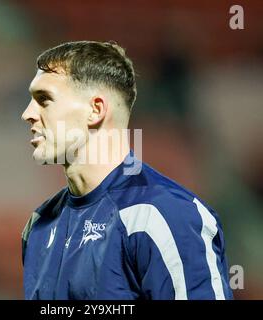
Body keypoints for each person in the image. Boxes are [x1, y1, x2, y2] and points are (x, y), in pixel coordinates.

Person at [21, 40, 233, 300]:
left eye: (44, 100)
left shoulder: (164, 215)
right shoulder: (40, 225)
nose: (28, 114)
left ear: (95, 110)